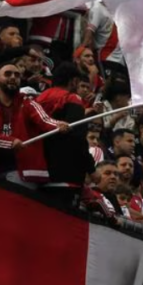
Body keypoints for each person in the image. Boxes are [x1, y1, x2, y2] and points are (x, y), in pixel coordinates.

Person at [0, 62, 69, 186]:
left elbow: (45, 120)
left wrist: (58, 125)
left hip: (24, 173)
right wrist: (11, 142)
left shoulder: (28, 103)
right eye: (8, 74)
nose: (13, 77)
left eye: (16, 75)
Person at [35, 63, 95, 203]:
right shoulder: (72, 98)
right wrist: (91, 168)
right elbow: (78, 138)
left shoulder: (39, 98)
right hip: (66, 173)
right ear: (74, 81)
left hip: (40, 169)